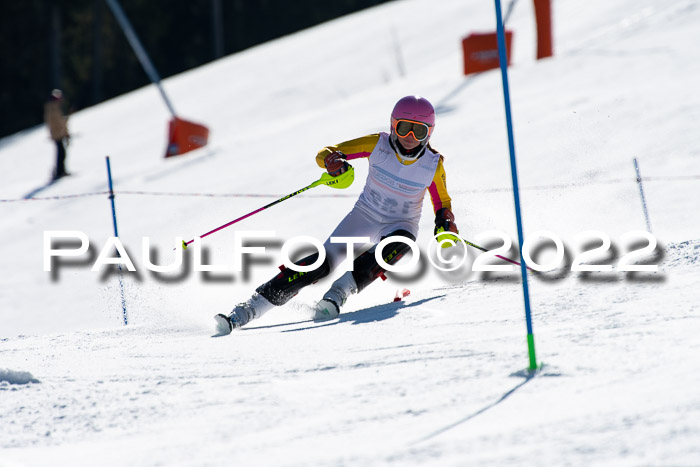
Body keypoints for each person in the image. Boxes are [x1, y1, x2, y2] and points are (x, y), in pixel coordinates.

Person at [215, 95, 459, 335]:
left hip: (401, 224)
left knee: (401, 243)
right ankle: (248, 310)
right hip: (364, 216)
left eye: (419, 131)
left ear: (430, 133)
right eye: (404, 128)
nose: (410, 138)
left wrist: (444, 220)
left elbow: (442, 201)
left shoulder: (432, 165)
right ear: (393, 125)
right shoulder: (378, 145)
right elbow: (326, 152)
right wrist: (333, 162)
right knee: (319, 263)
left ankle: (339, 293)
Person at [44, 89, 70, 180]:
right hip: (57, 134)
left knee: (61, 152)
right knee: (61, 152)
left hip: (58, 133)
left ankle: (60, 171)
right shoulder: (53, 108)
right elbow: (56, 123)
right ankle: (59, 171)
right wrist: (63, 131)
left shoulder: (53, 108)